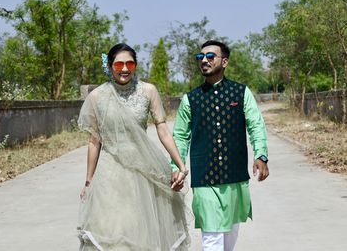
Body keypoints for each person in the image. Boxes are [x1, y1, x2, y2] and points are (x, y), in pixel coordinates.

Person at [77, 43, 190, 251]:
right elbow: (94, 141)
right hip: (111, 172)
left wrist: (180, 165)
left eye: (130, 63)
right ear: (110, 66)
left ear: (136, 65)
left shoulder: (148, 91)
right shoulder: (97, 97)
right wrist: (88, 181)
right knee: (115, 230)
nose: (125, 69)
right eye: (119, 64)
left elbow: (163, 130)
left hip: (144, 170)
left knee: (144, 230)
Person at [171, 40, 269, 251]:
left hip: (235, 176)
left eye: (210, 56)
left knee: (229, 237)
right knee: (212, 238)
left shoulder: (241, 92)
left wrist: (261, 155)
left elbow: (256, 125)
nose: (204, 61)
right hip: (205, 177)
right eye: (200, 57)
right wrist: (176, 167)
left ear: (224, 62)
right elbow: (180, 136)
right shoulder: (191, 99)